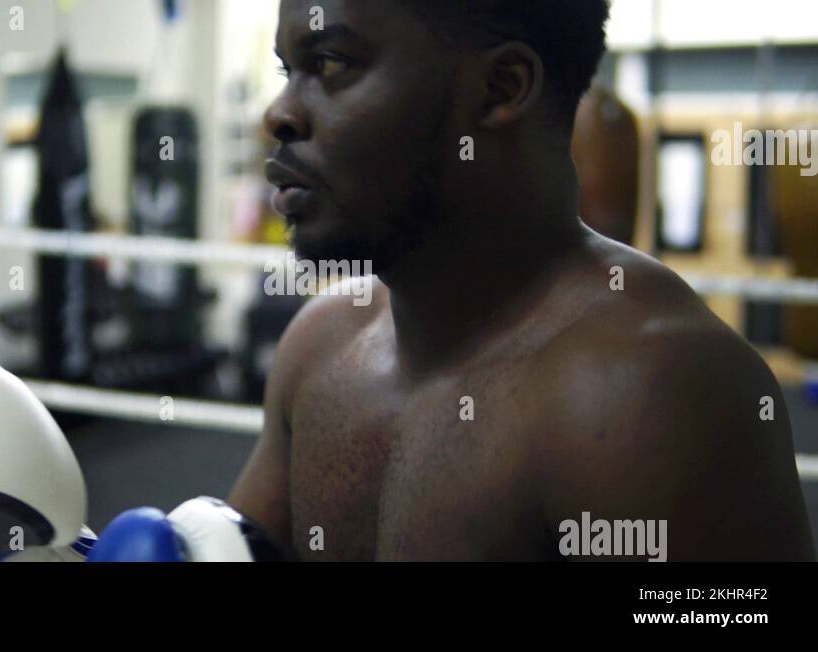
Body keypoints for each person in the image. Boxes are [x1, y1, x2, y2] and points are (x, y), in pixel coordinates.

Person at [227, 0, 815, 561]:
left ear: (501, 87)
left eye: (330, 64)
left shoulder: (650, 392)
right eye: (287, 70)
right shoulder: (320, 346)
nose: (278, 113)